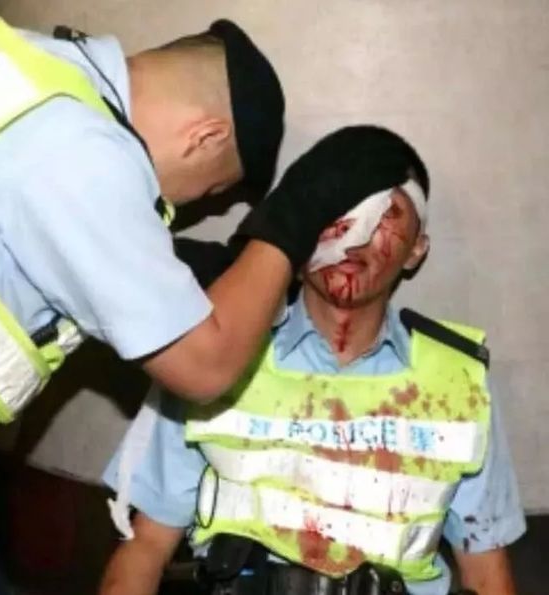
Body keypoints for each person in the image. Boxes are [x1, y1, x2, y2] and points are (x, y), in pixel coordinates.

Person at [0, 15, 354, 595]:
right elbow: (205, 367)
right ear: (206, 137)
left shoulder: (18, 68)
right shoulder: (87, 150)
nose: (187, 206)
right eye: (211, 190)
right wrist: (288, 225)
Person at [101, 126, 526, 595]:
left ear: (416, 250)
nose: (354, 238)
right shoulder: (212, 359)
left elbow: (487, 572)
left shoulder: (457, 382)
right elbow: (146, 548)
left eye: (383, 215)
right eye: (336, 214)